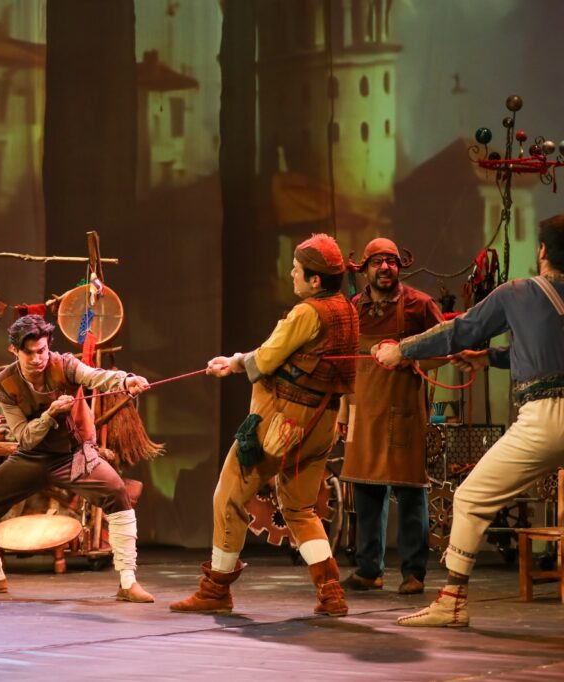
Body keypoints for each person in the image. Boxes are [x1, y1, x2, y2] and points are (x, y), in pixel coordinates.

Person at [377, 214, 564, 628]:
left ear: (542, 252)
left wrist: (401, 350)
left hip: (547, 420)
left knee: (470, 499)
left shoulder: (519, 292)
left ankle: (453, 601)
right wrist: (489, 357)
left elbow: (459, 331)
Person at [170, 233, 358, 616]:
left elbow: (268, 358)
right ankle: (330, 591)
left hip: (281, 425)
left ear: (315, 280)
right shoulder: (347, 311)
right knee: (300, 509)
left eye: (297, 270)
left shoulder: (308, 312)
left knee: (229, 495)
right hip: (319, 425)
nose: (291, 274)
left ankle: (216, 589)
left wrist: (235, 362)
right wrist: (238, 361)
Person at [0, 314, 154, 602]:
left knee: (117, 494)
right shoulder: (4, 383)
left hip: (72, 456)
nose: (38, 358)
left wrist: (126, 380)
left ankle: (128, 582)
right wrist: (49, 415)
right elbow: (25, 437)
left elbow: (95, 376)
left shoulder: (64, 365)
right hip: (31, 457)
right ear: (14, 350)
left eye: (42, 350)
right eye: (29, 352)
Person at [338, 238, 444, 596]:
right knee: (366, 489)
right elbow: (348, 363)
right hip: (362, 409)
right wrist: (343, 410)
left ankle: (414, 573)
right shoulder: (353, 308)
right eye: (377, 262)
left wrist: (408, 355)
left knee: (410, 491)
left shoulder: (419, 305)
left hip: (403, 411)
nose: (385, 268)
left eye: (392, 262)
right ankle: (369, 570)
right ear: (364, 269)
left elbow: (446, 350)